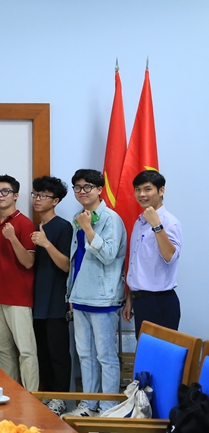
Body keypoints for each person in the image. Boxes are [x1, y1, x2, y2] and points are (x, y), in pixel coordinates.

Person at [62, 168, 126, 418]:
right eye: (77, 187)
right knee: (85, 355)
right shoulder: (78, 217)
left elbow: (109, 255)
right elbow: (75, 260)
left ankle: (108, 408)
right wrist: (71, 294)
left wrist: (88, 229)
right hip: (80, 297)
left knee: (106, 356)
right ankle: (88, 405)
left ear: (100, 189)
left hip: (103, 298)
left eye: (87, 187)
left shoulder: (110, 219)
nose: (82, 191)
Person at [0, 174, 39, 391]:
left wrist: (13, 238)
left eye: (5, 191)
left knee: (26, 350)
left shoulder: (25, 223)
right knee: (1, 350)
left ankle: (32, 398)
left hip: (18, 298)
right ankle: (10, 395)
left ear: (15, 195)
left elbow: (28, 262)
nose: (0, 195)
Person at [29, 176, 73, 417]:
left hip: (56, 300)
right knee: (42, 353)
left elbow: (66, 265)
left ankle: (61, 398)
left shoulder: (63, 227)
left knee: (58, 354)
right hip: (37, 300)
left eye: (43, 196)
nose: (37, 199)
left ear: (55, 200)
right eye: (35, 194)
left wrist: (46, 244)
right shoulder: (35, 226)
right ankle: (47, 396)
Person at [123, 170, 182, 338]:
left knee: (161, 352)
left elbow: (170, 257)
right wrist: (130, 298)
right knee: (144, 351)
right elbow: (138, 264)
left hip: (160, 302)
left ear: (161, 190)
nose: (142, 194)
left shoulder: (170, 223)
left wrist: (157, 225)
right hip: (140, 300)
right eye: (137, 189)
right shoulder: (139, 222)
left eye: (147, 189)